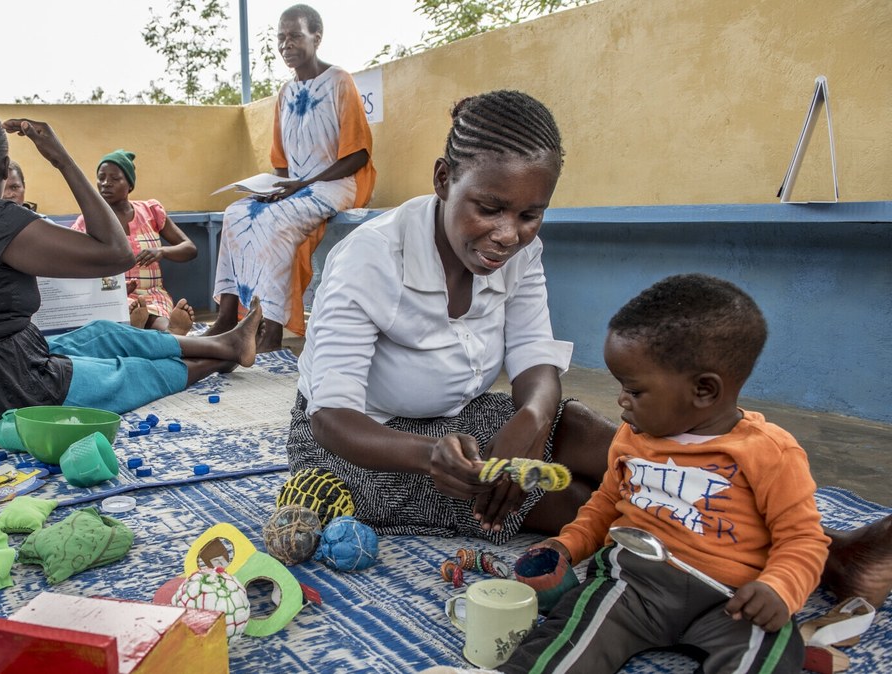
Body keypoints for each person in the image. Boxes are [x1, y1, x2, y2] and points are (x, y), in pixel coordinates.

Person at [290, 90, 617, 545]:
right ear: (443, 179)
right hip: (360, 442)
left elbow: (532, 353)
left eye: (530, 214)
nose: (507, 236)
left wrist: (534, 416)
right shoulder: (371, 258)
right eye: (489, 208)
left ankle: (722, 498)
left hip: (457, 419)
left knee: (604, 446)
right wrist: (430, 456)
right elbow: (332, 416)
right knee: (582, 504)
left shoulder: (523, 253)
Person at [488, 274, 830, 673]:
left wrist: (779, 588)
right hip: (635, 586)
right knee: (575, 626)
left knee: (769, 649)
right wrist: (566, 546)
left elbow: (803, 538)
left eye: (634, 390)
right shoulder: (632, 438)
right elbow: (604, 505)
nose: (620, 400)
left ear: (704, 390)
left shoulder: (770, 452)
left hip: (730, 600)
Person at [0, 105, 263, 453]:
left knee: (105, 333)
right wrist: (62, 159)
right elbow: (117, 253)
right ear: (5, 168)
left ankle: (225, 343)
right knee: (131, 375)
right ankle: (225, 354)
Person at [207, 3, 375, 353]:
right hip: (295, 189)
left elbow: (357, 154)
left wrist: (301, 185)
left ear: (317, 37)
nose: (286, 44)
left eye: (295, 36)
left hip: (335, 185)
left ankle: (271, 330)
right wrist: (273, 188)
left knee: (274, 224)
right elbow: (281, 163)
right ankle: (226, 318)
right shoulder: (285, 92)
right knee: (237, 214)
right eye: (281, 38)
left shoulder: (339, 81)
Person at [71, 149, 198, 335]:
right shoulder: (89, 221)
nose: (106, 183)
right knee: (134, 309)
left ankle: (167, 329)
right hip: (113, 293)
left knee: (153, 312)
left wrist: (162, 252)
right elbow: (74, 263)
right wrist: (114, 285)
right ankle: (161, 330)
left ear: (129, 184)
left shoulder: (151, 211)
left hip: (154, 292)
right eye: (101, 178)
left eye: (115, 178)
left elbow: (190, 248)